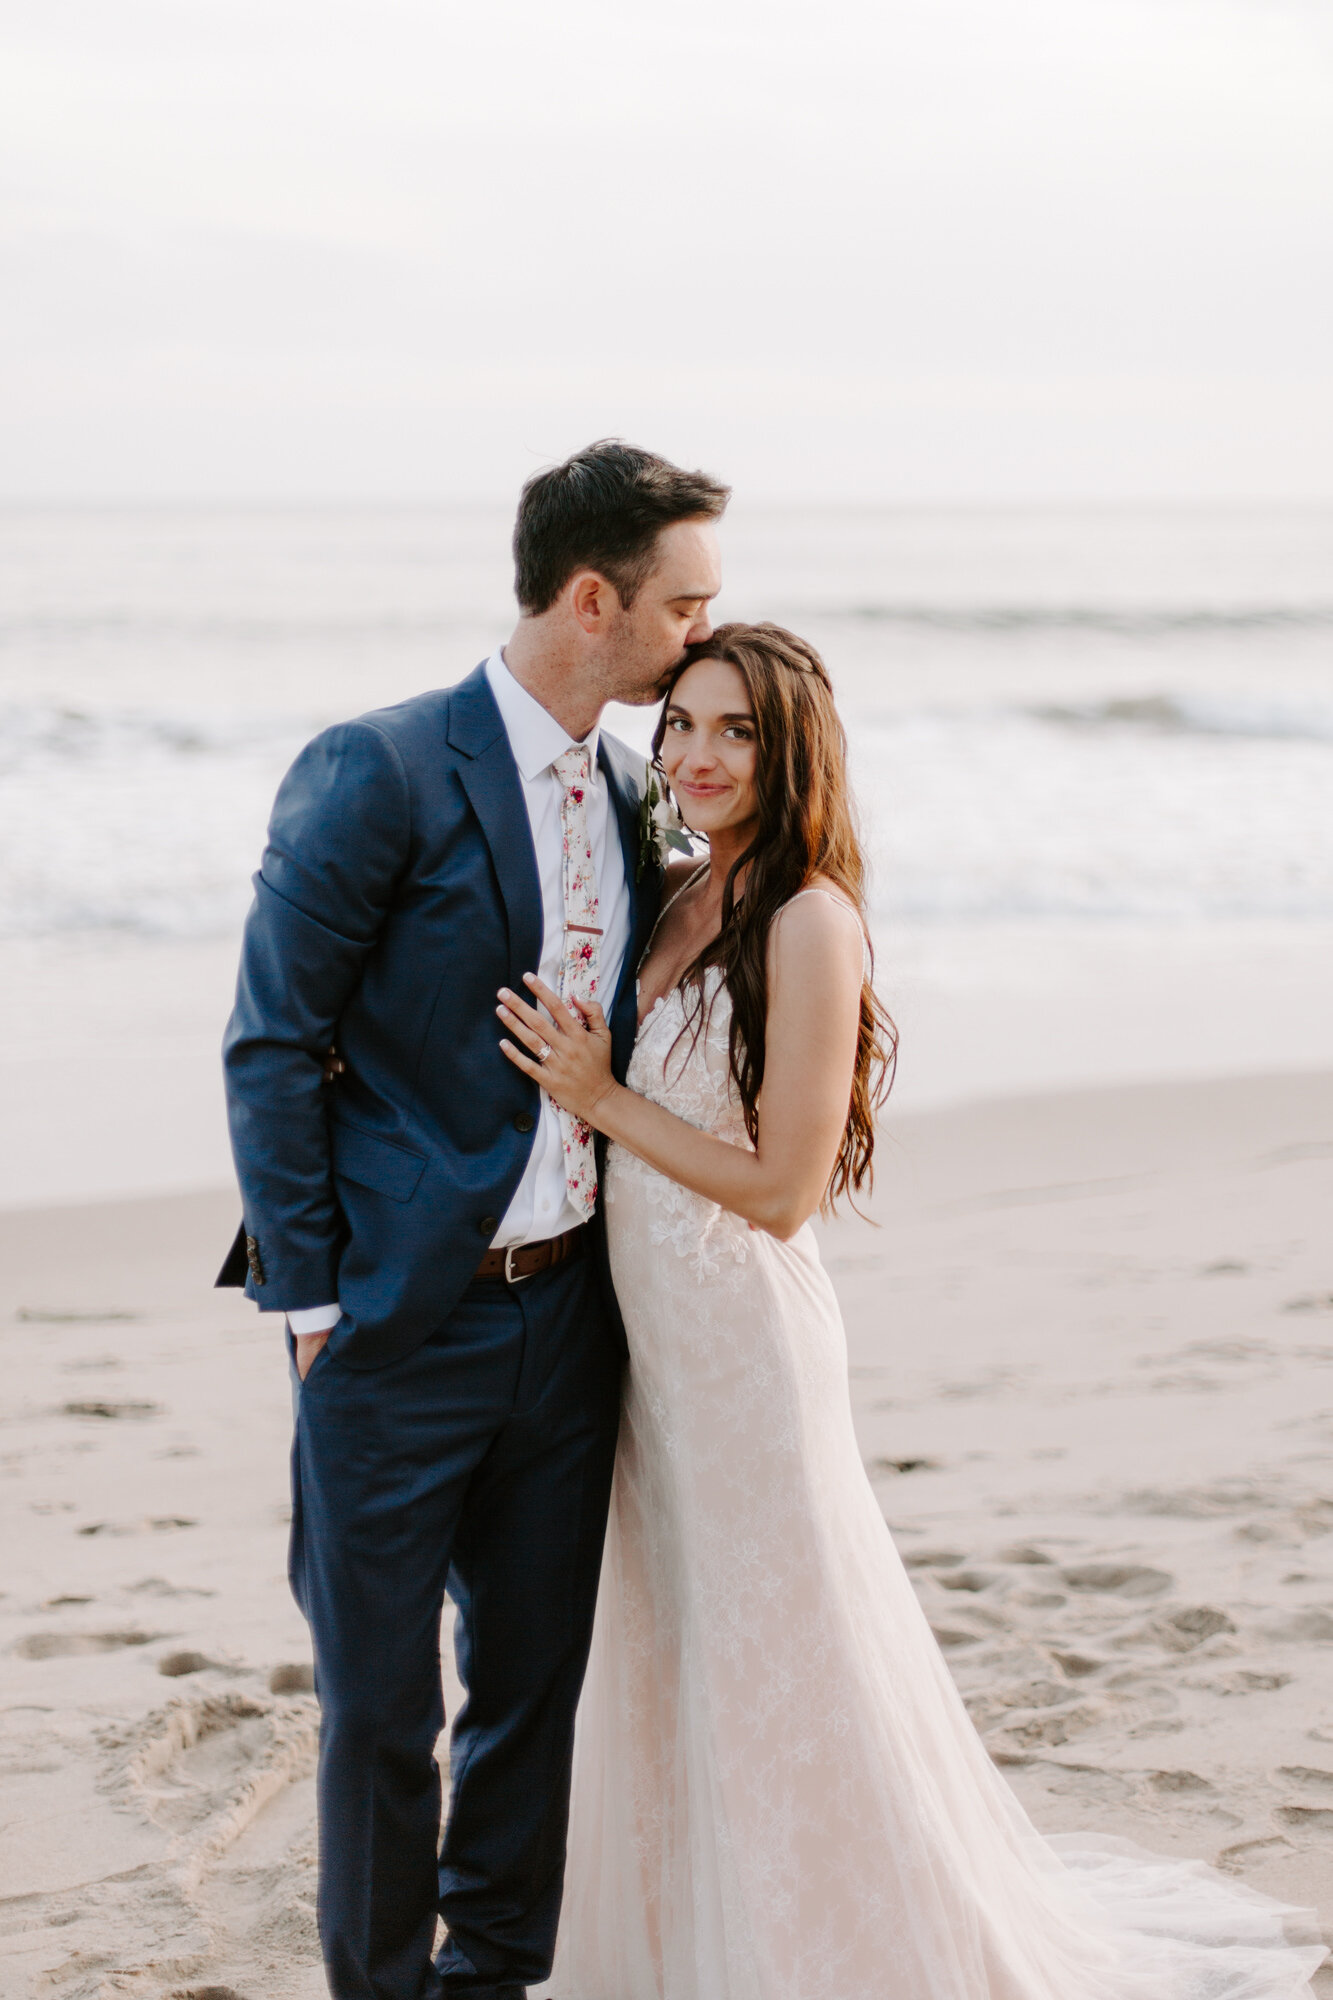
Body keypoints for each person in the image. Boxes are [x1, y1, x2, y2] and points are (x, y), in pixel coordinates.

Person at [494, 621, 1327, 2000]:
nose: (696, 756)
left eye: (735, 732)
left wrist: (602, 1100)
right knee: (671, 1648)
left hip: (742, 1347)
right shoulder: (677, 891)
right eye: (682, 725)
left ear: (790, 750)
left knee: (782, 1648)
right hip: (641, 1344)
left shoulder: (809, 917)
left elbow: (782, 1187)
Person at [217, 439, 727, 2000]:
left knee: (528, 1692)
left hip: (570, 1321)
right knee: (378, 1709)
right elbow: (269, 1043)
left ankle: (488, 1979)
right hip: (391, 1324)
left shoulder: (638, 789)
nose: (701, 633)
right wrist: (313, 1306)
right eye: (686, 606)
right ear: (594, 599)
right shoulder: (377, 767)